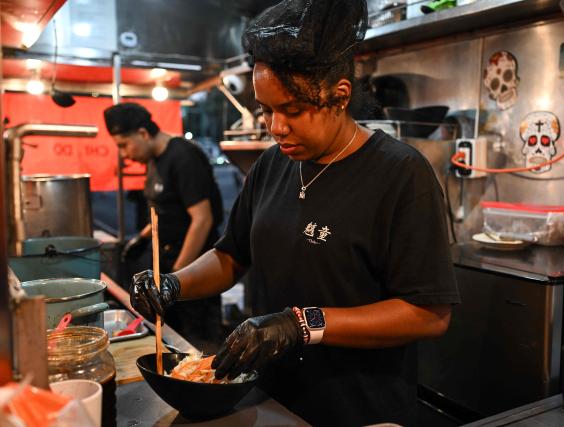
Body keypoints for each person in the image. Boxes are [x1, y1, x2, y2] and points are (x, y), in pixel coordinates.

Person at [130, 1, 460, 425]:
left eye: (291, 110)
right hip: (269, 400)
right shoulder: (272, 165)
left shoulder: (400, 174)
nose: (275, 126)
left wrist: (303, 324)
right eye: (266, 109)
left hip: (356, 408)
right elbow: (232, 255)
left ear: (339, 96)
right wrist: (173, 284)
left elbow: (429, 314)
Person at [104, 102, 224, 351]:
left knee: (198, 347)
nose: (124, 155)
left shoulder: (183, 157)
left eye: (124, 145)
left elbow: (203, 219)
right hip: (170, 269)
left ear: (143, 133)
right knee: (172, 341)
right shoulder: (154, 159)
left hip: (195, 270)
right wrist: (142, 237)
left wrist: (178, 277)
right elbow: (164, 212)